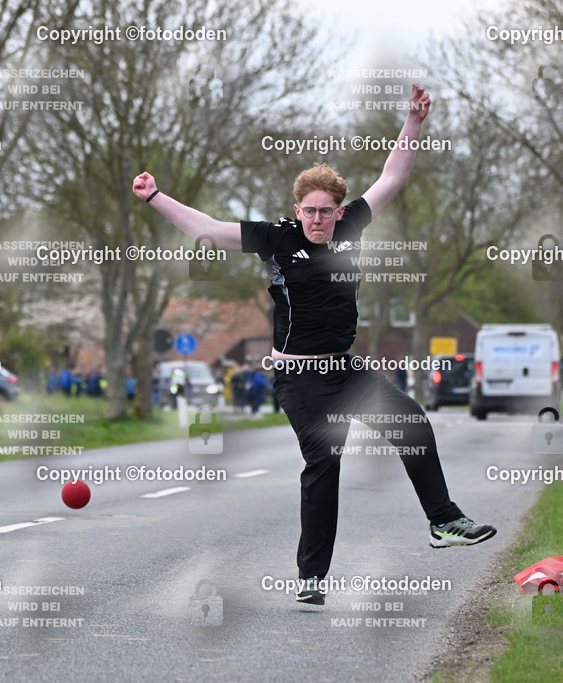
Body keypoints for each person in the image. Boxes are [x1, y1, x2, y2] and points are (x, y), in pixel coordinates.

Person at [132, 84, 495, 606]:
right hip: (299, 377)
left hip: (346, 370)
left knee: (412, 422)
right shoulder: (277, 238)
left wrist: (413, 122)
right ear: (297, 209)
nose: (318, 220)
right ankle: (311, 579)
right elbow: (208, 228)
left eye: (327, 211)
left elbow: (393, 175)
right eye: (310, 211)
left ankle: (443, 521)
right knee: (325, 460)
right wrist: (155, 197)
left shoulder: (352, 226)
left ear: (340, 210)